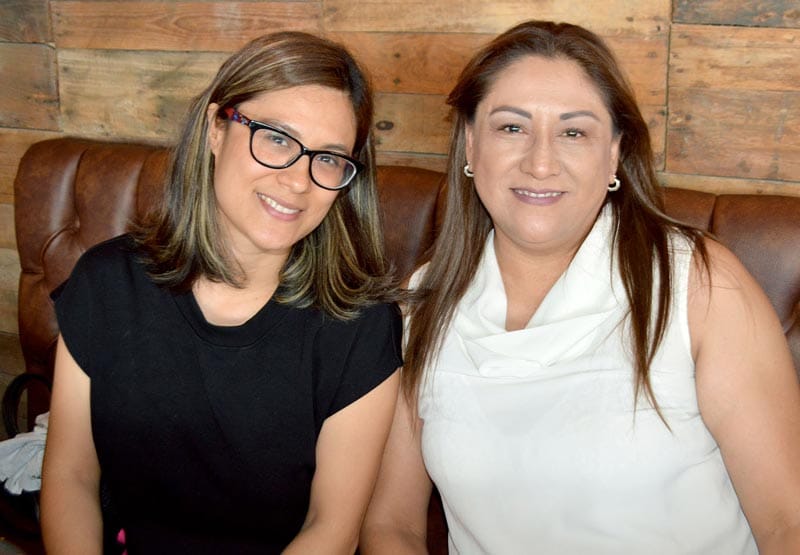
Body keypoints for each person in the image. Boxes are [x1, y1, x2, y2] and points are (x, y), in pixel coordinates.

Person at [360, 20, 800, 554]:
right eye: (512, 128)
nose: (541, 162)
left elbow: (787, 522)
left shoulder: (698, 282)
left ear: (613, 153)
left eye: (574, 133)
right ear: (471, 145)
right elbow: (393, 524)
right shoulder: (426, 300)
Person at [40, 31, 402, 554]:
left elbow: (332, 529)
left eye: (327, 158)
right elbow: (70, 475)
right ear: (216, 128)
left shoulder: (361, 324)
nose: (299, 181)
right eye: (276, 138)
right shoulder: (107, 281)